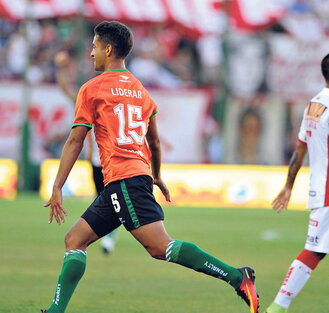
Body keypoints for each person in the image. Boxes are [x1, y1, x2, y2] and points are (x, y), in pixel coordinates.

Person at [41, 21, 259, 313]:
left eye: (94, 47)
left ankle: (237, 277)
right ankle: (55, 311)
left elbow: (74, 141)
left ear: (108, 49)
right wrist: (156, 175)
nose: (91, 53)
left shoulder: (92, 89)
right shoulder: (141, 91)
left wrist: (57, 186)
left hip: (123, 180)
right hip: (131, 177)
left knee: (161, 247)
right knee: (75, 238)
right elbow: (154, 142)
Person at [265, 51, 329, 313]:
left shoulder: (314, 104)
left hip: (323, 190)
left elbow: (300, 149)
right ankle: (277, 307)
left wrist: (289, 186)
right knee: (315, 251)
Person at [54, 50, 117, 255]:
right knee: (101, 199)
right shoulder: (88, 100)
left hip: (112, 161)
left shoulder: (113, 104)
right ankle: (103, 235)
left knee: (112, 201)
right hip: (95, 161)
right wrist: (61, 70)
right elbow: (65, 90)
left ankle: (107, 239)